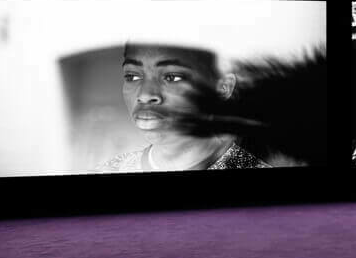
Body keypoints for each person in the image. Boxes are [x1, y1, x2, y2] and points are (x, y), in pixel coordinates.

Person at [94, 42, 270, 173]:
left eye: (172, 77)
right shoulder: (107, 171)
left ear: (223, 88)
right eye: (132, 76)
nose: (145, 94)